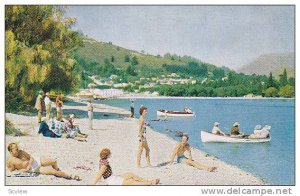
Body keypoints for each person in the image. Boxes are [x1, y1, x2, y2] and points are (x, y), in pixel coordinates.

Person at [6, 143, 80, 180]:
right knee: (53, 172)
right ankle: (70, 176)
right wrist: (25, 170)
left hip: (35, 161)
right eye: (16, 149)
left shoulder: (21, 152)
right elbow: (12, 172)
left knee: (53, 161)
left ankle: (58, 170)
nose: (18, 150)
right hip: (34, 169)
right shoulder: (10, 161)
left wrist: (29, 165)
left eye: (17, 148)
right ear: (11, 151)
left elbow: (31, 157)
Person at [93, 148, 159, 185]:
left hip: (113, 177)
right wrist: (93, 184)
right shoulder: (104, 165)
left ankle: (146, 181)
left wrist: (100, 181)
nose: (111, 154)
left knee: (130, 174)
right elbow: (99, 174)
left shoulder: (103, 160)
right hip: (112, 181)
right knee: (131, 182)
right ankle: (150, 183)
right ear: (108, 155)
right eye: (110, 153)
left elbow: (101, 174)